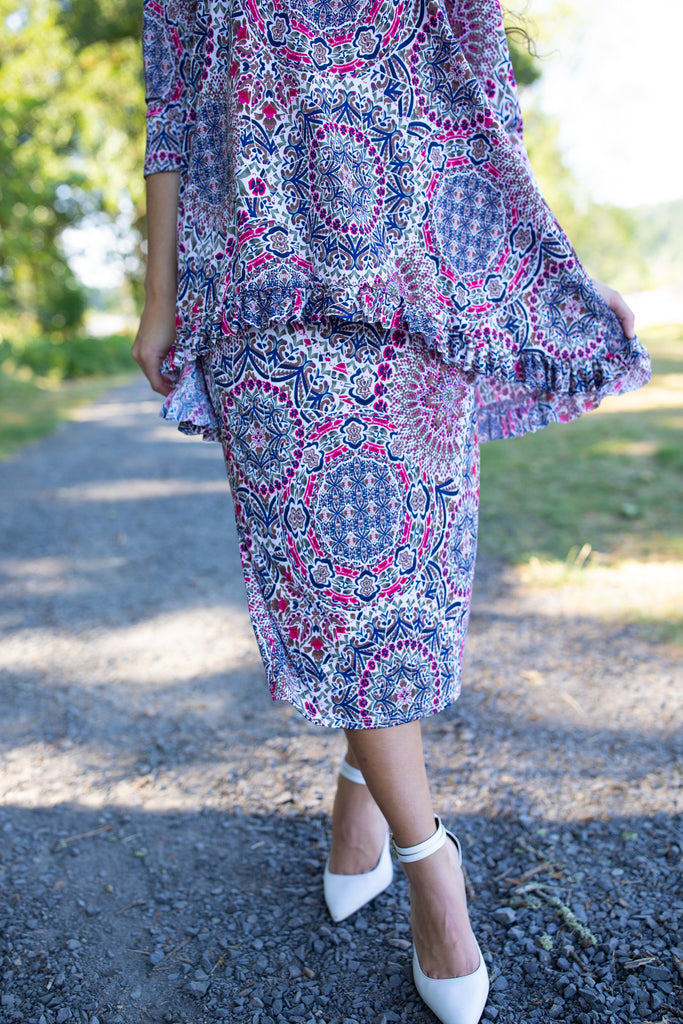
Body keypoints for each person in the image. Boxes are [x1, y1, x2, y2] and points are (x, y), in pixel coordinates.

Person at [132, 2, 651, 1021]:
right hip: (260, 286)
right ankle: (432, 870)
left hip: (422, 278)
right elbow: (173, 106)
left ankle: (359, 793)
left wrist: (558, 270)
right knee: (340, 591)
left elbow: (481, 98)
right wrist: (159, 296)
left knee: (404, 591)